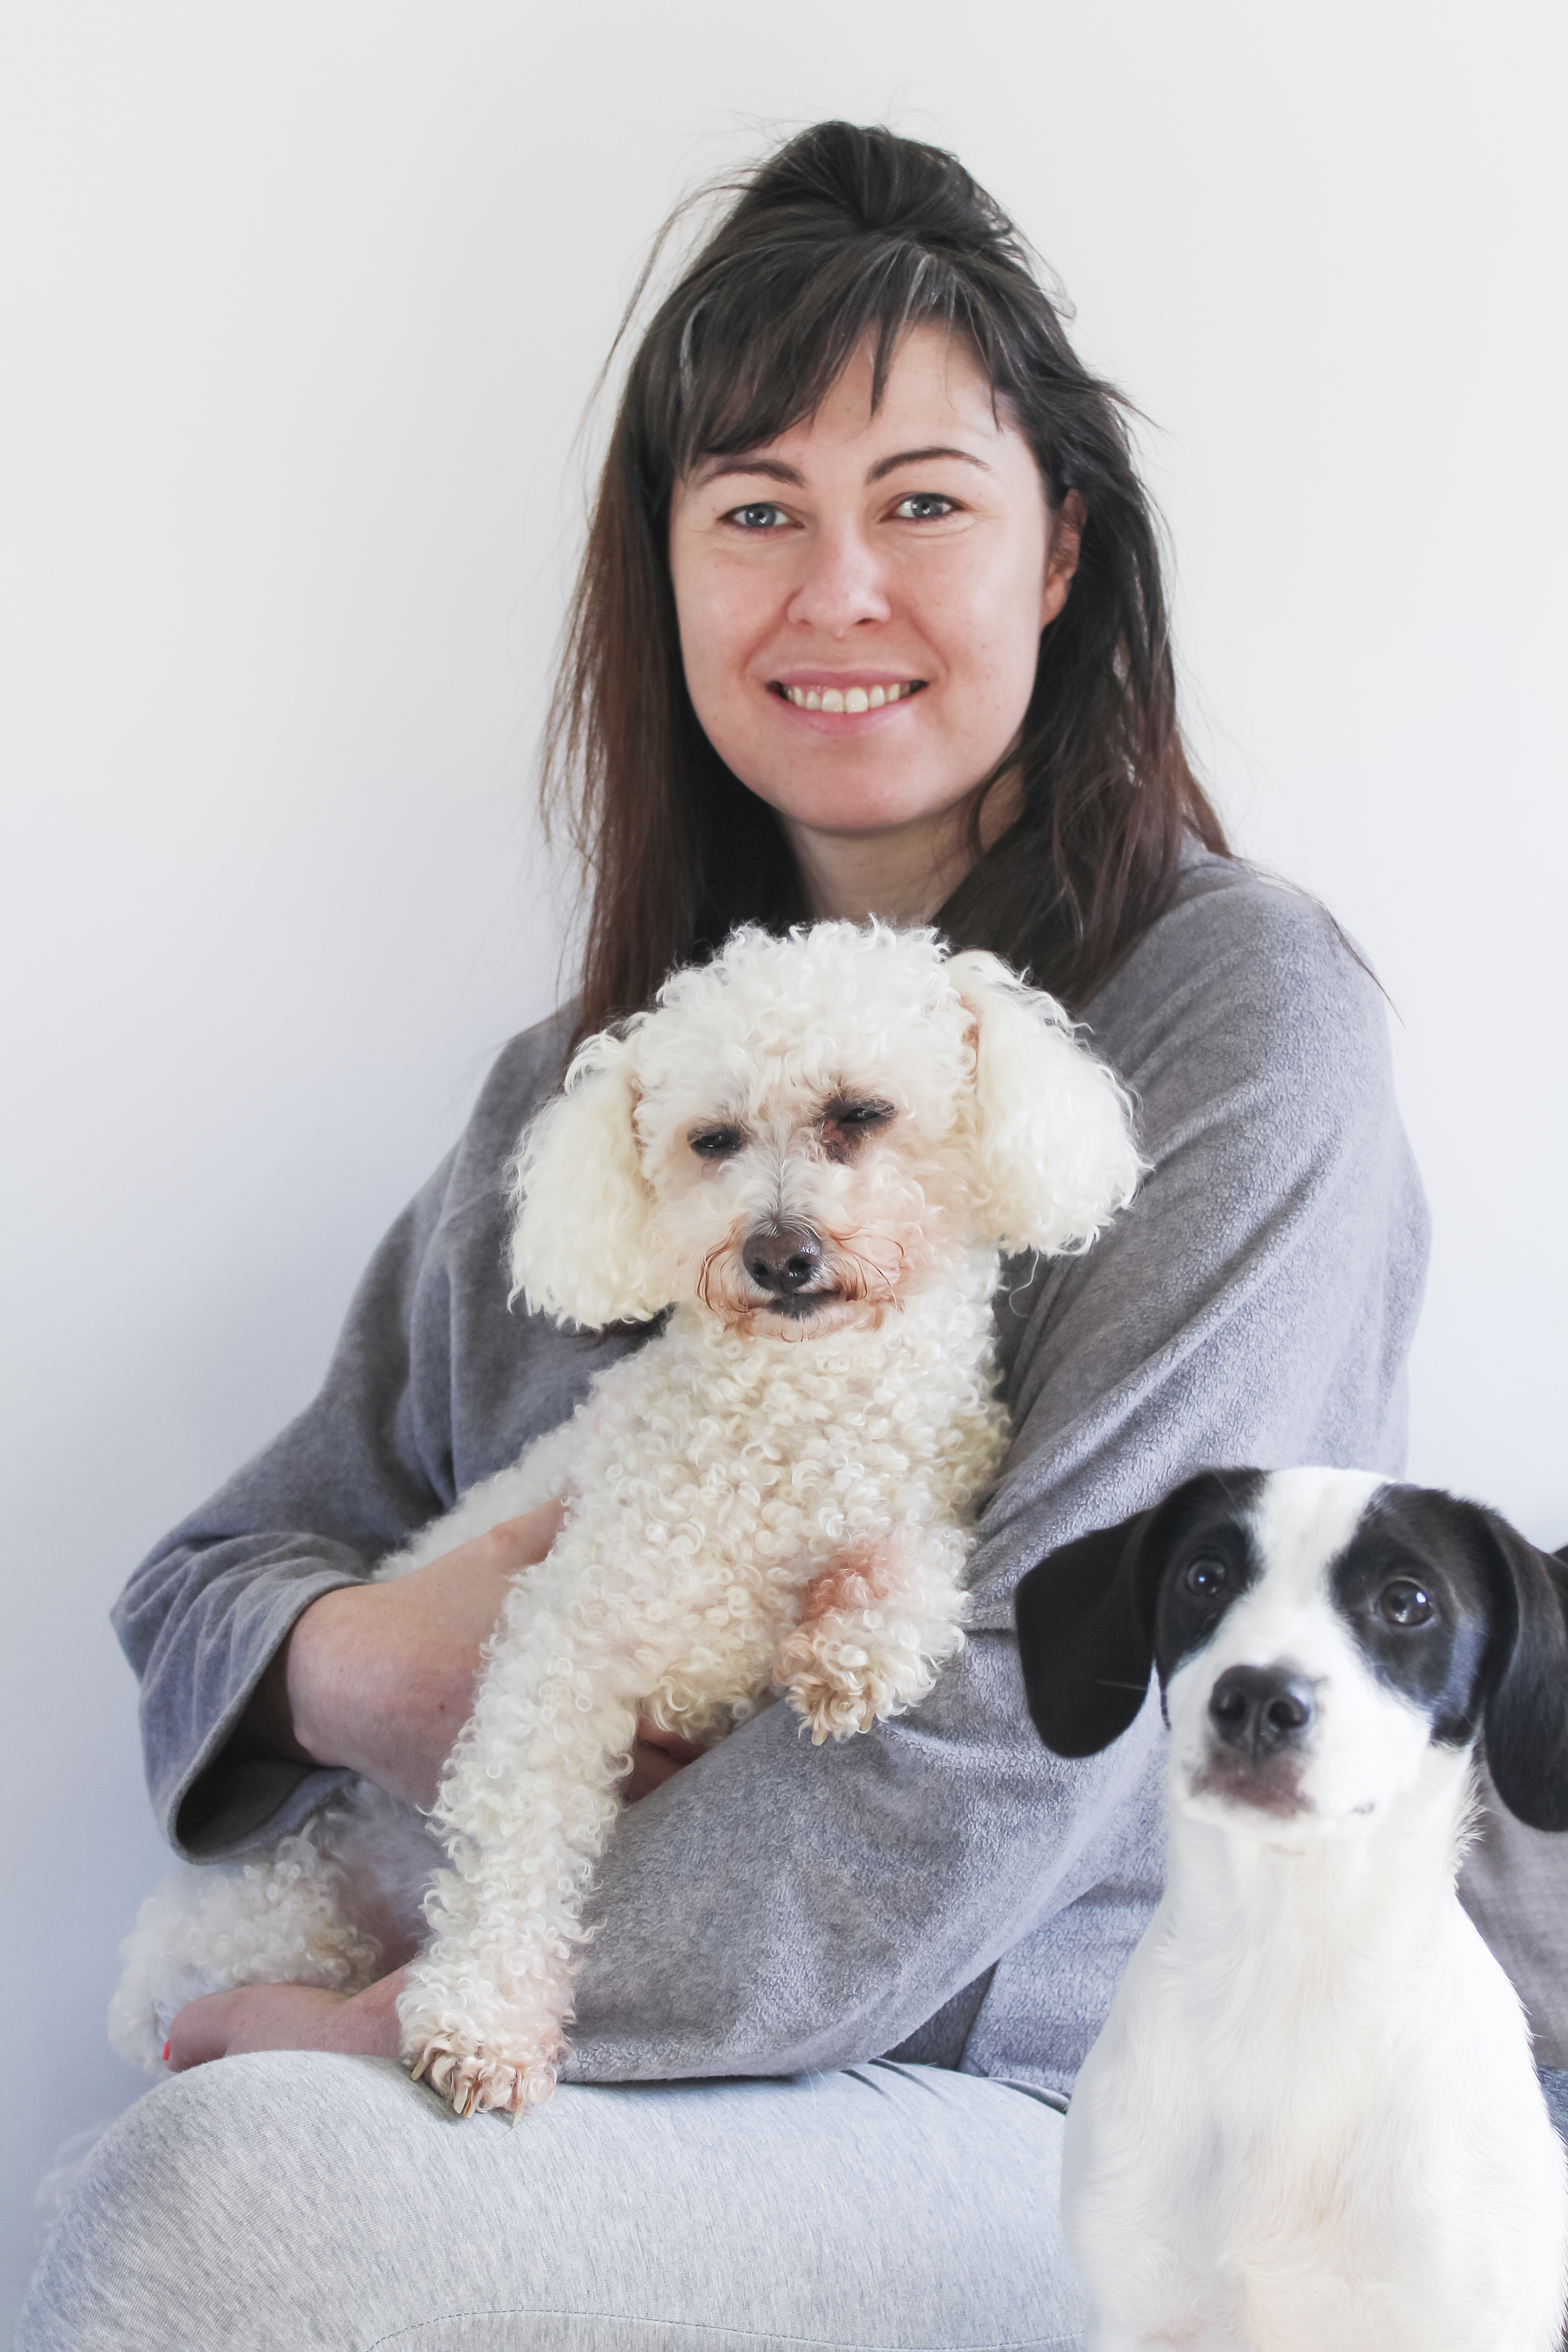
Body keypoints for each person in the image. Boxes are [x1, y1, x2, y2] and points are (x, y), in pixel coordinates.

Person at [21, 121, 1447, 2349]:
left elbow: (1033, 1729)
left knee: (210, 2211)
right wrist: (372, 1668)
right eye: (757, 512)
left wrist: (435, 2017)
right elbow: (206, 1584)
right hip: (547, 2043)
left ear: (1060, 552)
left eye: (925, 507)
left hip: (1037, 2100)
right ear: (665, 573)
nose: (838, 590)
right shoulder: (578, 1092)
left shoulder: (1238, 1023)